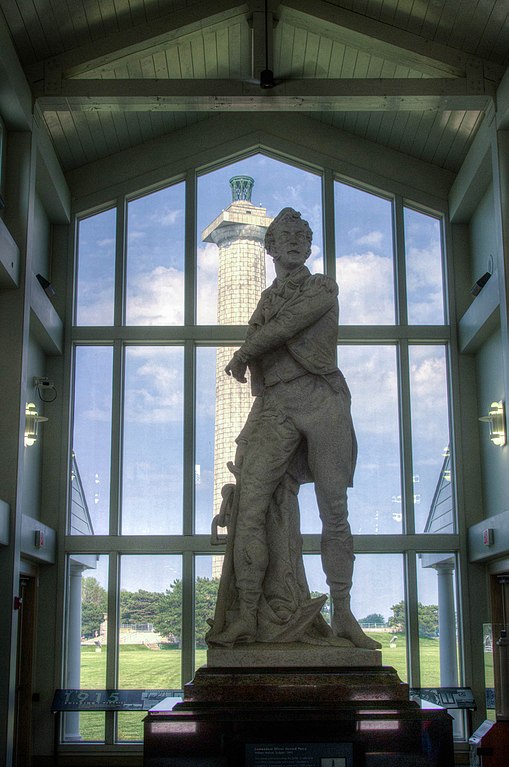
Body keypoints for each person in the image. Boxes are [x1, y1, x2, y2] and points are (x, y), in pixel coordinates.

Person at [209, 207, 380, 651]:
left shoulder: (322, 285)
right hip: (277, 403)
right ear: (268, 247)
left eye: (301, 236)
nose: (294, 241)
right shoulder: (265, 298)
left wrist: (244, 353)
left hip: (321, 399)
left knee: (333, 509)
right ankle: (248, 614)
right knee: (250, 506)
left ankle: (342, 612)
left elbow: (286, 329)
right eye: (284, 236)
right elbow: (269, 330)